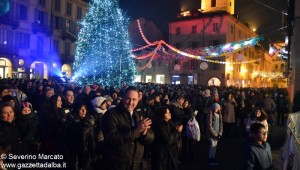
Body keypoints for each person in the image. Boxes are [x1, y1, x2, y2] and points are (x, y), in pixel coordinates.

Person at [102, 86, 154, 170]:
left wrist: (145, 134)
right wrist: (137, 129)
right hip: (117, 164)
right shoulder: (111, 114)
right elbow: (112, 138)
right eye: (128, 98)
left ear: (138, 100)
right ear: (123, 98)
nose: (131, 102)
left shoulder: (139, 114)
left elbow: (151, 138)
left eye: (134, 99)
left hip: (136, 164)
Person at [64, 104, 95, 170]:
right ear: (76, 110)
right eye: (81, 109)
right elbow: (64, 138)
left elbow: (91, 139)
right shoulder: (70, 123)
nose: (84, 111)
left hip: (85, 154)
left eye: (85, 109)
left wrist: (92, 153)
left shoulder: (88, 123)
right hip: (72, 154)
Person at [152, 106, 183, 170]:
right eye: (168, 113)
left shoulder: (169, 122)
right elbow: (167, 139)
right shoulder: (160, 125)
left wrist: (175, 129)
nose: (170, 114)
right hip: (163, 154)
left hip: (169, 152)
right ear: (162, 115)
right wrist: (177, 131)